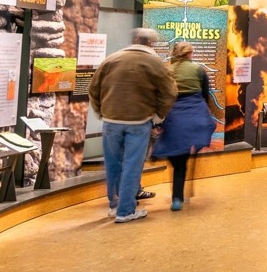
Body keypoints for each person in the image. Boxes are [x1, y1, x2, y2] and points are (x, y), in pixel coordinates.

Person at [89, 28, 177, 223]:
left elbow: (93, 88)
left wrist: (100, 111)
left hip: (111, 121)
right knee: (132, 165)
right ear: (150, 43)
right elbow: (170, 93)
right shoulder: (155, 63)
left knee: (113, 164)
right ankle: (126, 210)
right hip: (139, 121)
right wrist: (157, 117)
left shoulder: (111, 59)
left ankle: (114, 205)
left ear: (135, 39)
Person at [151, 41, 217, 211]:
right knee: (184, 158)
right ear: (189, 53)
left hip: (174, 117)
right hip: (195, 117)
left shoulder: (167, 70)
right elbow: (205, 95)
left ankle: (177, 197)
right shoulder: (198, 70)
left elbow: (160, 95)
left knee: (177, 159)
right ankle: (178, 197)